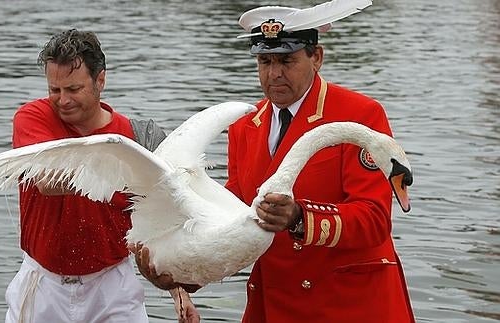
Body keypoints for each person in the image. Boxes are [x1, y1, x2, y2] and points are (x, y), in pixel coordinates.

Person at [134, 3, 416, 323]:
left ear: (317, 58)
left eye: (286, 60)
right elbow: (233, 219)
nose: (274, 74)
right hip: (274, 304)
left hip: (347, 305)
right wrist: (180, 273)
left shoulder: (361, 116)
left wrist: (299, 217)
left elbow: (375, 220)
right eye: (264, 61)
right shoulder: (245, 127)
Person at [5, 29, 169, 323]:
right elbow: (48, 181)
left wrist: (179, 292)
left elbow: (164, 218)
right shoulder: (32, 117)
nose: (62, 100)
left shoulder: (133, 136)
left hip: (112, 283)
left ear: (100, 80)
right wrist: (131, 181)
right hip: (43, 283)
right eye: (54, 90)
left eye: (73, 89)